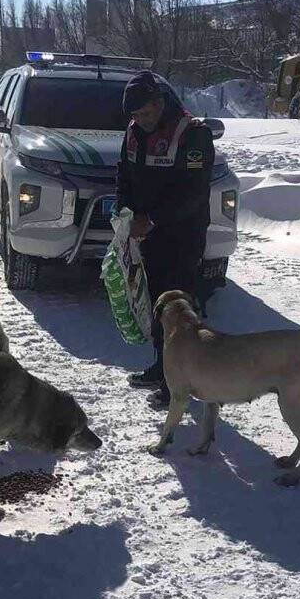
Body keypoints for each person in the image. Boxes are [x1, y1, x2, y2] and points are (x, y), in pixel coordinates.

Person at [115, 71, 214, 408]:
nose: (141, 120)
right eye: (135, 115)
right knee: (157, 307)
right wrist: (124, 210)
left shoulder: (193, 134)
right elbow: (124, 173)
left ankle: (181, 385)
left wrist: (152, 218)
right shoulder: (134, 131)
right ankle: (162, 369)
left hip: (182, 236)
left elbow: (194, 193)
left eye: (146, 113)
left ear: (159, 103)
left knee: (179, 313)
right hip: (149, 235)